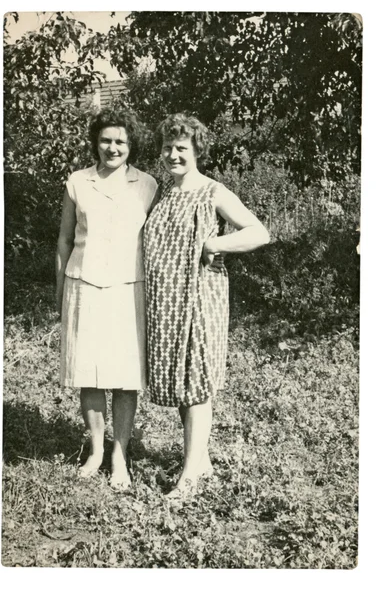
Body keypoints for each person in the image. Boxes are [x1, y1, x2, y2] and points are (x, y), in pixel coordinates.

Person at [144, 113, 270, 498]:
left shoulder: (213, 192)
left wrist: (215, 244)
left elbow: (258, 232)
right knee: (184, 382)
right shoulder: (164, 193)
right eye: (167, 147)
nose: (172, 154)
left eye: (181, 148)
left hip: (199, 299)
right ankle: (202, 463)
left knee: (196, 382)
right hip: (167, 302)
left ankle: (190, 477)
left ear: (197, 150)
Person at [56, 108, 157, 490]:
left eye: (120, 141)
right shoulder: (78, 182)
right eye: (106, 140)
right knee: (90, 374)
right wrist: (60, 287)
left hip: (129, 288)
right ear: (95, 143)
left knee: (125, 376)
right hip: (83, 285)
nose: (112, 147)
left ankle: (120, 454)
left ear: (131, 146)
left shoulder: (147, 185)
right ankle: (96, 449)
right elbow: (65, 238)